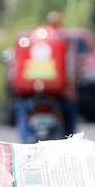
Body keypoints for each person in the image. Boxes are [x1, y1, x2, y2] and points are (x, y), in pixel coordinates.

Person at [14, 11, 79, 143]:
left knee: (22, 109)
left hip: (31, 92)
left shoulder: (33, 39)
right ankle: (70, 140)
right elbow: (69, 69)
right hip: (56, 92)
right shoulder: (59, 40)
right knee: (70, 110)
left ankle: (26, 138)